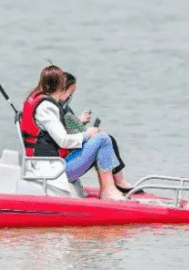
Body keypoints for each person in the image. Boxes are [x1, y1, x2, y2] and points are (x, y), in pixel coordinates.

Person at [19, 65, 124, 200]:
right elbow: (63, 140)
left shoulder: (37, 100)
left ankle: (109, 188)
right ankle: (108, 190)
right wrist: (88, 134)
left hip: (50, 165)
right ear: (59, 86)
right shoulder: (46, 107)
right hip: (54, 170)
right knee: (103, 139)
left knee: (101, 140)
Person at [59, 72, 138, 194]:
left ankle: (118, 180)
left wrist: (81, 123)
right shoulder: (54, 109)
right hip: (65, 162)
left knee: (107, 139)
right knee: (104, 140)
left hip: (70, 154)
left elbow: (70, 131)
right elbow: (66, 135)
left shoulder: (62, 108)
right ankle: (113, 186)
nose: (71, 97)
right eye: (70, 92)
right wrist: (87, 131)